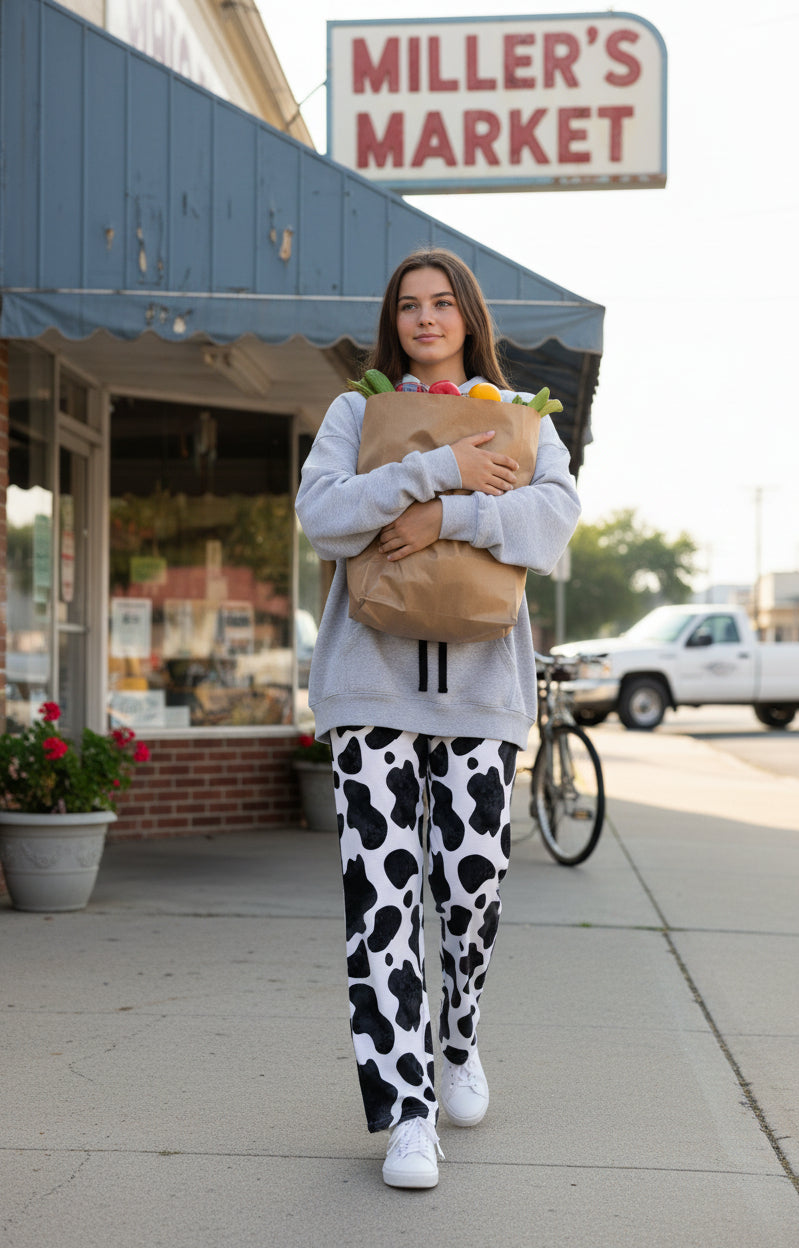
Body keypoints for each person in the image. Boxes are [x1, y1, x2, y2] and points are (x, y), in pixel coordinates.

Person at [295, 247, 580, 1189]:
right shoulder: (356, 412)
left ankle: (459, 1040)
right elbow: (323, 518)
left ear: (468, 316)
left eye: (442, 302)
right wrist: (436, 469)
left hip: (482, 697)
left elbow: (551, 523)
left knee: (471, 891)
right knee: (380, 904)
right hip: (369, 688)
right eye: (409, 304)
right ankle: (407, 1114)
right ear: (394, 321)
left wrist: (446, 518)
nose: (425, 317)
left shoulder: (521, 413)